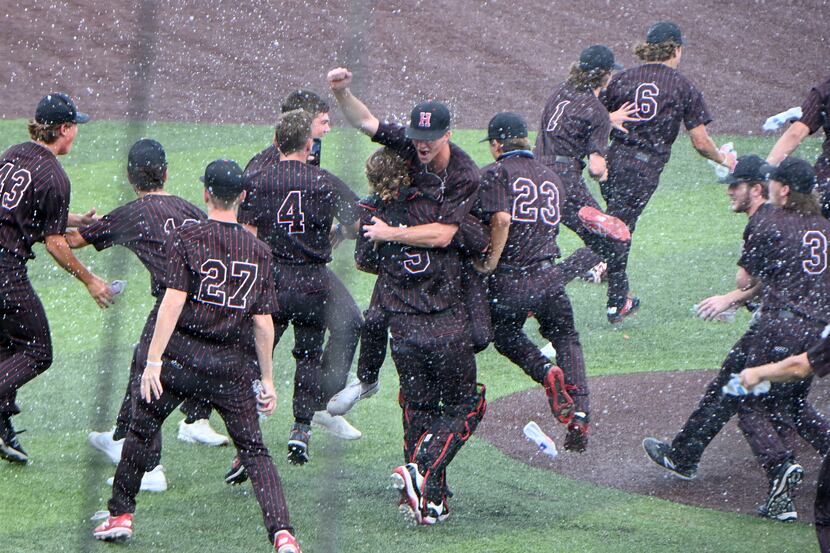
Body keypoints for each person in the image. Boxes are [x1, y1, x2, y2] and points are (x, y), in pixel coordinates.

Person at [92, 159, 301, 553]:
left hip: (180, 362)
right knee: (255, 453)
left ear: (205, 192)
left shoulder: (188, 237)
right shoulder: (259, 250)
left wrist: (153, 360)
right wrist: (268, 379)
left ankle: (120, 514)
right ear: (242, 197)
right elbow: (263, 323)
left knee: (141, 429)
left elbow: (172, 302)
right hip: (230, 369)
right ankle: (283, 534)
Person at [327, 67, 488, 524]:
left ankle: (426, 500)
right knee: (464, 405)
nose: (421, 144)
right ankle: (421, 473)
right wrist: (342, 94)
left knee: (416, 404)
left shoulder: (463, 175)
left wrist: (389, 234)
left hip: (404, 323)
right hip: (443, 321)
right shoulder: (409, 151)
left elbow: (443, 233)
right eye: (417, 136)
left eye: (430, 138)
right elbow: (366, 123)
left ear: (448, 134)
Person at [644, 156, 830, 522]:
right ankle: (684, 453)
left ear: (784, 188)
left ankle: (780, 471)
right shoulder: (825, 227)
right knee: (784, 402)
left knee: (746, 396)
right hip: (817, 332)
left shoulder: (772, 222)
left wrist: (734, 299)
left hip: (777, 328)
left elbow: (746, 281)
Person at [69, 139, 217, 491]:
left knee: (150, 376)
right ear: (166, 173)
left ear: (129, 176)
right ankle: (121, 437)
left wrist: (41, 220)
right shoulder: (188, 210)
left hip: (174, 307)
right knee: (143, 363)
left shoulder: (132, 214)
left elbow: (74, 241)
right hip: (209, 308)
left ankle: (150, 470)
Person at [239, 109, 361, 465]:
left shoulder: (258, 181)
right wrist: (336, 232)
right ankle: (303, 425)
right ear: (310, 145)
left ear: (277, 142)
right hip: (312, 282)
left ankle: (247, 428)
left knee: (257, 352)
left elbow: (248, 237)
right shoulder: (325, 181)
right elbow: (358, 220)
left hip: (272, 279)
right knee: (314, 348)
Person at [0, 93, 114, 464]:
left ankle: (2, 428)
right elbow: (55, 245)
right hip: (5, 272)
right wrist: (91, 279)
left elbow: (21, 208)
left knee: (7, 345)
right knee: (37, 351)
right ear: (63, 129)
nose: (76, 133)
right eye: (75, 126)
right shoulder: (54, 176)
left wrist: (75, 218)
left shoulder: (13, 155)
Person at [599, 21, 736, 322]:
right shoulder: (682, 85)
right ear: (675, 49)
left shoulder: (623, 78)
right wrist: (723, 159)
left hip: (612, 162)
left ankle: (617, 299)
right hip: (643, 168)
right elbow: (700, 142)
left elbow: (594, 116)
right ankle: (574, 272)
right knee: (616, 230)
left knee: (620, 227)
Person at [479, 112, 593, 451]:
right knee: (566, 337)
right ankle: (581, 413)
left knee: (505, 335)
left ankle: (544, 371)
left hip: (508, 280)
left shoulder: (492, 175)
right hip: (548, 277)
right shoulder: (552, 178)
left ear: (497, 145)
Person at [535, 44, 635, 286]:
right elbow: (596, 168)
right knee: (608, 242)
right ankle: (551, 282)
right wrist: (605, 174)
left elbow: (568, 122)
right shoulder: (596, 110)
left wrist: (606, 120)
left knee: (534, 240)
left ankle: (529, 283)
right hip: (564, 179)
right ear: (606, 75)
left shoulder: (560, 90)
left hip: (535, 171)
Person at [740, 331, 830, 551]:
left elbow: (800, 367)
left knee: (827, 515)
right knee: (793, 404)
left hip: (791, 335)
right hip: (804, 332)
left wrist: (758, 372)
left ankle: (781, 466)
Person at [767, 76, 830, 219]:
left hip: (827, 181)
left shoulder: (825, 89)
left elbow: (796, 133)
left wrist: (765, 170)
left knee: (806, 222)